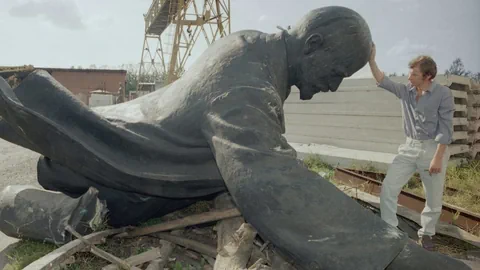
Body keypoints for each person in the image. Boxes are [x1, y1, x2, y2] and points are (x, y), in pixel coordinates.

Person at [0, 6, 470, 270]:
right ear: (313, 46)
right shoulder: (247, 77)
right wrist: (394, 259)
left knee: (118, 207)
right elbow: (268, 181)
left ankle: (20, 201)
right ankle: (28, 198)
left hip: (168, 162)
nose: (330, 85)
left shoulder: (258, 51)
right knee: (120, 203)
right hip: (135, 153)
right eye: (335, 72)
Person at [368, 43, 455, 251]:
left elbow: (446, 127)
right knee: (389, 187)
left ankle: (426, 235)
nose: (409, 77)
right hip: (408, 147)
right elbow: (382, 79)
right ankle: (390, 229)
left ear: (427, 77)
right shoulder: (406, 91)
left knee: (433, 198)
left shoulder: (443, 94)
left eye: (414, 74)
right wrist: (372, 59)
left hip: (433, 149)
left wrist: (437, 158)